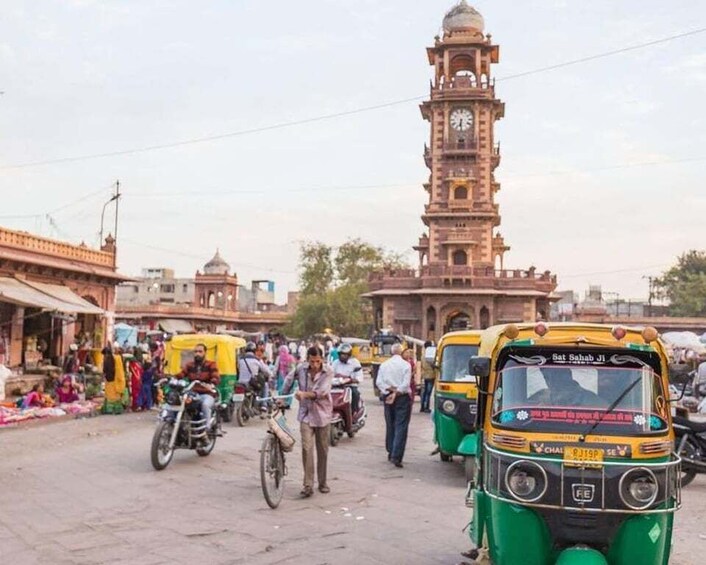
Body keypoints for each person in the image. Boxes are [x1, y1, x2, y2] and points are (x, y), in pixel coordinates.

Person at [281, 346, 333, 497]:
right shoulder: (301, 369)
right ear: (307, 360)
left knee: (323, 450)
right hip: (305, 414)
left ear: (322, 359)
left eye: (317, 361)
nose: (315, 365)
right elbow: (288, 380)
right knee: (306, 448)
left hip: (323, 414)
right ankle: (308, 484)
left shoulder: (328, 371)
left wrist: (304, 394)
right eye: (312, 361)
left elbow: (322, 392)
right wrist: (283, 396)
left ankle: (322, 482)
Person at [376, 343, 412, 468]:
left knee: (390, 424)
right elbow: (405, 385)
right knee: (401, 425)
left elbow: (379, 382)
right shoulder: (406, 365)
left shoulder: (384, 365)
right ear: (401, 353)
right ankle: (396, 455)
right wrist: (396, 392)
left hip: (388, 396)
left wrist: (389, 391)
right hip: (402, 397)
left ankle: (391, 450)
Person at [177, 343, 220, 427]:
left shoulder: (211, 364)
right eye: (196, 351)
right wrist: (171, 378)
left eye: (200, 351)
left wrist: (212, 384)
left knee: (205, 405)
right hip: (192, 393)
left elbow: (216, 376)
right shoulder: (190, 365)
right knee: (179, 402)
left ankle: (206, 428)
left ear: (205, 353)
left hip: (207, 393)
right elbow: (181, 374)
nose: (197, 354)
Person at [528, 367, 602, 407]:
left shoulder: (594, 402)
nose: (551, 382)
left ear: (568, 375)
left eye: (555, 376)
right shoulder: (540, 397)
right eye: (546, 377)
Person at [238, 341, 273, 411]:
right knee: (265, 385)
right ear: (254, 350)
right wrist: (271, 374)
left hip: (240, 382)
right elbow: (265, 370)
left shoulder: (240, 359)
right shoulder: (256, 360)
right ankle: (264, 405)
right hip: (251, 382)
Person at [331, 343, 363, 415]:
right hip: (337, 386)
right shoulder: (335, 363)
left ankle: (354, 412)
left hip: (350, 386)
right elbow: (330, 374)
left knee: (355, 394)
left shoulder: (355, 363)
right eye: (341, 354)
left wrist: (350, 379)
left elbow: (359, 377)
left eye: (345, 354)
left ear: (349, 355)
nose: (343, 356)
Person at [103, 344, 127, 414]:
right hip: (115, 380)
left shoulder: (107, 359)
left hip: (109, 380)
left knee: (110, 396)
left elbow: (104, 370)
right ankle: (117, 409)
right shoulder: (117, 358)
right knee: (116, 396)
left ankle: (109, 410)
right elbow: (120, 370)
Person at [420, 341, 435, 413]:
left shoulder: (423, 354)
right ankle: (426, 407)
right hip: (431, 374)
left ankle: (422, 406)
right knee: (428, 392)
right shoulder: (430, 354)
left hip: (424, 374)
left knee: (425, 391)